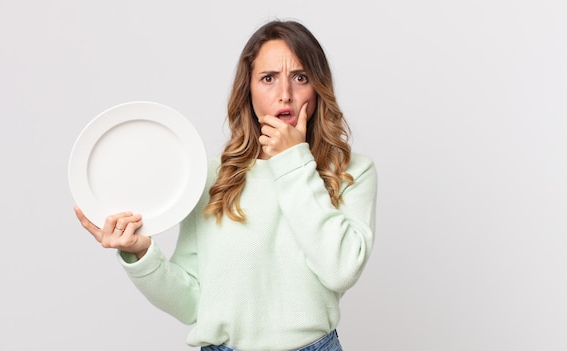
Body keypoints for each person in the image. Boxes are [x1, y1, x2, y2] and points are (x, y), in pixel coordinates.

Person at [74, 19, 377, 351]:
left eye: (300, 77)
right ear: (248, 89)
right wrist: (140, 253)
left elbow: (341, 271)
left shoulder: (352, 173)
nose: (284, 94)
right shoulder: (213, 177)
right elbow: (191, 303)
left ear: (318, 87)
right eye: (268, 78)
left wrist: (292, 161)